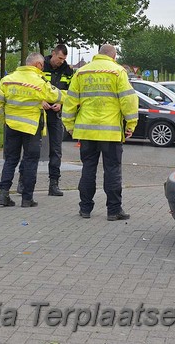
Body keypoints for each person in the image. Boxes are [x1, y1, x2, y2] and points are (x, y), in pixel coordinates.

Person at [62, 44, 139, 221]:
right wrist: (131, 124)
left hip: (86, 131)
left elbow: (70, 100)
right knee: (112, 170)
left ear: (98, 55)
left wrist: (70, 125)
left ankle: (85, 209)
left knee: (88, 169)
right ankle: (113, 210)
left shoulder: (81, 72)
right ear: (114, 56)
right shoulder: (118, 71)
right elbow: (128, 99)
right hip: (110, 132)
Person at [0, 52, 63, 207]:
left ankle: (3, 195)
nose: (43, 68)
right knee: (30, 161)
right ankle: (27, 198)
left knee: (10, 160)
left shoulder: (7, 80)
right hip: (31, 128)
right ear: (37, 65)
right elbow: (56, 96)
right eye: (42, 66)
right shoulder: (39, 81)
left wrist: (5, 120)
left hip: (11, 126)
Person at [17, 44, 74, 197]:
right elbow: (31, 86)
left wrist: (61, 103)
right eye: (60, 58)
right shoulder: (40, 66)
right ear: (53, 54)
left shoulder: (68, 71)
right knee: (31, 148)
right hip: (39, 112)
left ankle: (54, 184)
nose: (61, 61)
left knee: (56, 150)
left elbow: (71, 91)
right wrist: (40, 100)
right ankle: (23, 182)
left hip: (55, 114)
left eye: (64, 59)